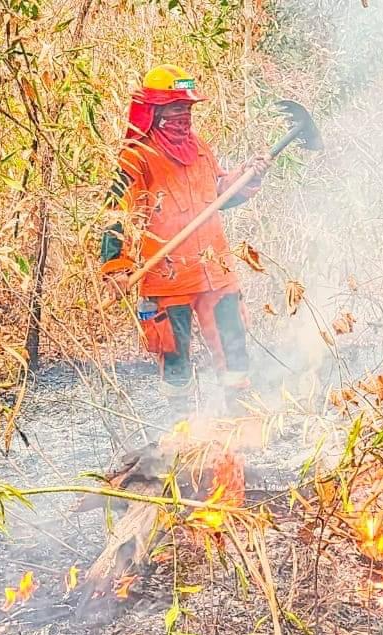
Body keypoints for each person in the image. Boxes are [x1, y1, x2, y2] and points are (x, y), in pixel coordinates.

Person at [100, 64, 269, 409]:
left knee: (234, 349)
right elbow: (116, 214)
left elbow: (220, 194)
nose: (183, 116)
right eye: (176, 109)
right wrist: (115, 266)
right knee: (174, 360)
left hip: (214, 272)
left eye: (187, 109)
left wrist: (245, 177)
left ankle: (240, 422)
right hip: (166, 279)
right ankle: (182, 433)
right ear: (155, 111)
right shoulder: (136, 157)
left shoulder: (200, 148)